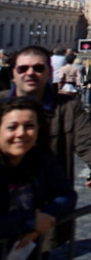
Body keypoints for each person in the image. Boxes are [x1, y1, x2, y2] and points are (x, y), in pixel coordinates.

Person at [0, 45, 91, 250]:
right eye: (23, 68)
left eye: (38, 68)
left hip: (44, 212)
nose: (30, 73)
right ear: (13, 73)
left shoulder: (68, 107)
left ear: (49, 71)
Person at [0, 98, 77, 252]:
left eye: (29, 126)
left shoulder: (42, 157)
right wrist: (29, 222)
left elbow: (67, 195)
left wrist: (46, 216)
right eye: (12, 127)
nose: (21, 133)